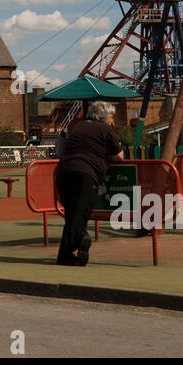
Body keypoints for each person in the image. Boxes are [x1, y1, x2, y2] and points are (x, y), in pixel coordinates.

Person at [54, 101, 124, 267]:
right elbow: (120, 156)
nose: (112, 120)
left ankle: (65, 255)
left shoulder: (78, 127)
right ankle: (82, 238)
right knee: (80, 213)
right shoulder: (105, 129)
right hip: (85, 173)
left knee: (73, 214)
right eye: (111, 117)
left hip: (63, 172)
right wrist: (106, 157)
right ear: (103, 117)